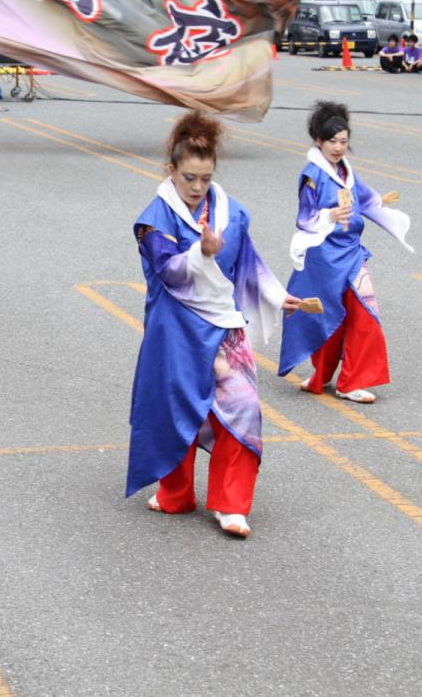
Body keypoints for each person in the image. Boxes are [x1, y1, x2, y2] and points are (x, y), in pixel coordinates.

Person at [128, 111, 301, 539]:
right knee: (177, 409)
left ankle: (231, 504)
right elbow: (168, 272)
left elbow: (248, 263)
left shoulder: (231, 211)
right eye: (189, 177)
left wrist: (279, 296)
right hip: (176, 332)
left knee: (242, 409)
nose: (197, 186)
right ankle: (175, 494)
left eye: (205, 177)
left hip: (225, 330)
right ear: (171, 171)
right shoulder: (155, 218)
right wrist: (201, 254)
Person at [278, 102, 413, 405]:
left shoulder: (345, 171)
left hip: (351, 254)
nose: (338, 147)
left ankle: (352, 381)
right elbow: (305, 218)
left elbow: (364, 196)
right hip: (324, 257)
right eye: (332, 141)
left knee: (365, 311)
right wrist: (328, 216)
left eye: (343, 141)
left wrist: (380, 201)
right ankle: (322, 374)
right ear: (318, 141)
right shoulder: (312, 175)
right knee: (327, 315)